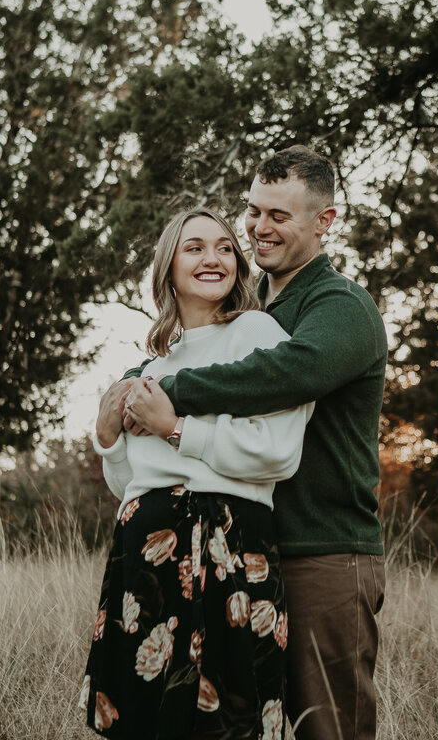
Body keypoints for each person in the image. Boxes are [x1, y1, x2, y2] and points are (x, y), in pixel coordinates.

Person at [129, 146, 388, 740]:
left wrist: (165, 394)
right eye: (253, 211)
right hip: (247, 556)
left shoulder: (338, 306)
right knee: (248, 725)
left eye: (279, 215)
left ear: (324, 221)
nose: (258, 228)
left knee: (329, 729)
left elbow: (280, 375)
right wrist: (129, 387)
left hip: (324, 553)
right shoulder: (253, 308)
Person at [79, 208, 313, 740]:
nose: (213, 258)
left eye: (225, 247)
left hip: (229, 549)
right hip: (145, 552)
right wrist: (109, 438)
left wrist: (175, 428)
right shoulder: (154, 365)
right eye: (195, 248)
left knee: (230, 717)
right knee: (145, 718)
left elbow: (278, 453)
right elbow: (130, 488)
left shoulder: (257, 332)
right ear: (168, 267)